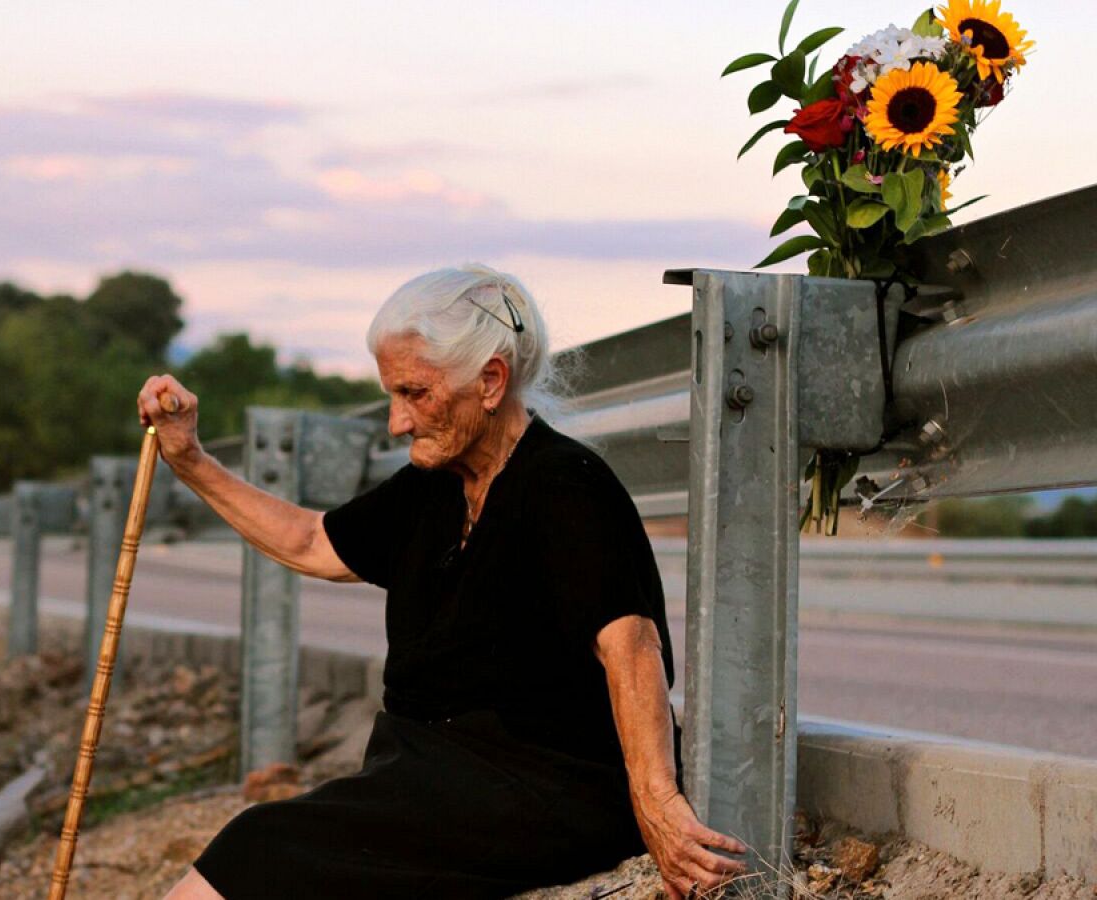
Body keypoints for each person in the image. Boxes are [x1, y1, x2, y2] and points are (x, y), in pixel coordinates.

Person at [136, 264, 745, 900]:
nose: (397, 422)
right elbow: (311, 542)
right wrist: (192, 460)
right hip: (432, 781)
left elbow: (630, 644)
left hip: (533, 790)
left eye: (414, 393)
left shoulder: (566, 485)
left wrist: (658, 806)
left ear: (490, 381)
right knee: (276, 842)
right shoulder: (433, 486)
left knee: (256, 849)